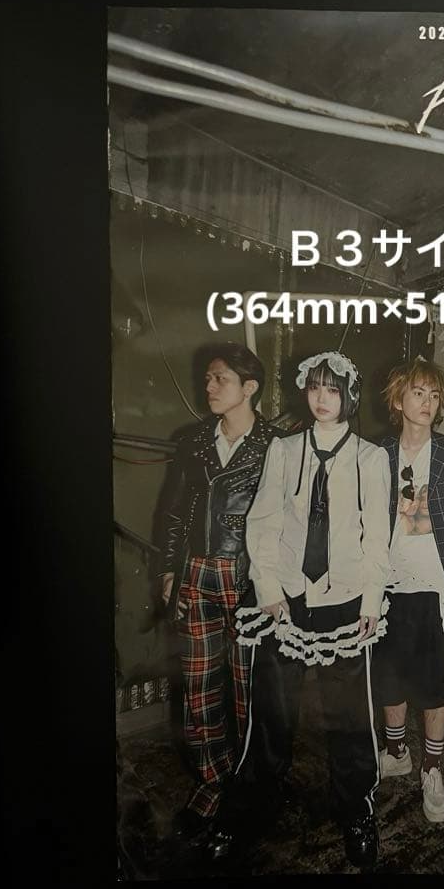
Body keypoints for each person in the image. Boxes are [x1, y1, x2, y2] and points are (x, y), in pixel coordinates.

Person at [236, 351, 391, 869]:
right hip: (286, 595)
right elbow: (262, 522)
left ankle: (356, 808)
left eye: (333, 389)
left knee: (349, 715)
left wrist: (371, 600)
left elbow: (377, 537)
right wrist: (268, 588)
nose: (322, 399)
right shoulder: (282, 449)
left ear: (349, 396)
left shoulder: (371, 458)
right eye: (314, 388)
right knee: (273, 707)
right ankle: (259, 797)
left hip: (344, 598)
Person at [158, 343, 280, 851]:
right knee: (199, 688)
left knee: (249, 693)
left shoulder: (276, 444)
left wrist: (274, 587)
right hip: (196, 575)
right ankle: (212, 782)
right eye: (208, 379)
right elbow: (173, 511)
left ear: (249, 388)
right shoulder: (193, 442)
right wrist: (169, 571)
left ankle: (247, 789)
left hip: (249, 578)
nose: (208, 387)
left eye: (220, 379)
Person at [372, 358, 444, 822]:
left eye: (434, 395)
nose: (428, 402)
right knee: (388, 678)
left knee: (435, 686)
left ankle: (432, 768)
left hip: (436, 588)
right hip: (385, 586)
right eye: (418, 393)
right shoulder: (374, 454)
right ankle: (396, 753)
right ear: (398, 399)